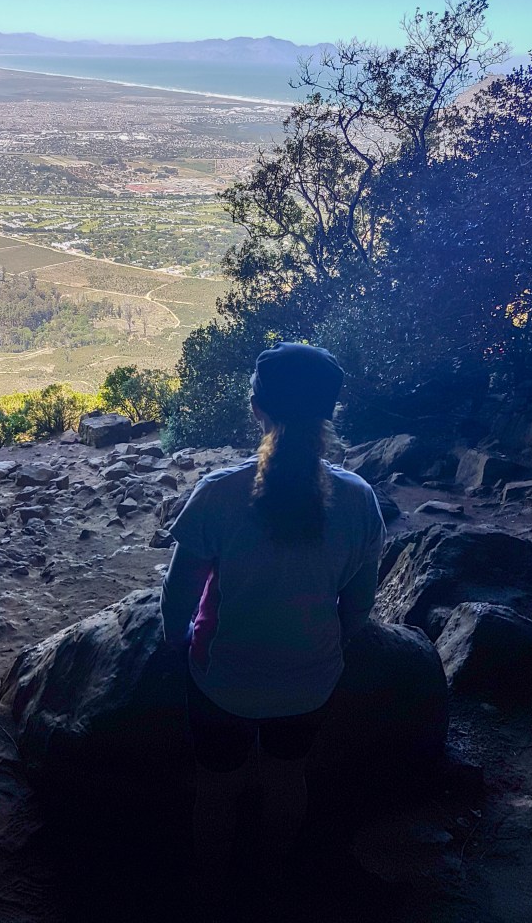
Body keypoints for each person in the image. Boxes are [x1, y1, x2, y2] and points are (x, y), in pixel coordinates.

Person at [160, 341, 386, 905]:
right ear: (329, 414)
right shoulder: (359, 501)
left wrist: (173, 645)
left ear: (257, 409)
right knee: (289, 775)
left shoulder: (218, 495)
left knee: (216, 786)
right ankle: (273, 874)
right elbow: (358, 605)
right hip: (311, 679)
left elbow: (179, 592)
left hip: (221, 678)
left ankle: (211, 884)